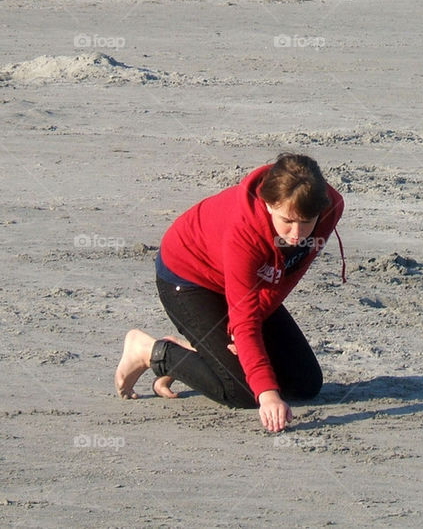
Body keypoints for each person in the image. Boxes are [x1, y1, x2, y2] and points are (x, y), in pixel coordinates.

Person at [115, 153, 345, 432]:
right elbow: (245, 322)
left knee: (304, 383)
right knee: (246, 393)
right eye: (288, 221)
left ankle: (199, 349)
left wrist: (248, 324)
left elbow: (286, 275)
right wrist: (268, 395)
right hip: (188, 279)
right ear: (269, 204)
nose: (297, 234)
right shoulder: (243, 230)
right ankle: (151, 351)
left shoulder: (330, 208)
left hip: (245, 281)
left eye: (307, 222)